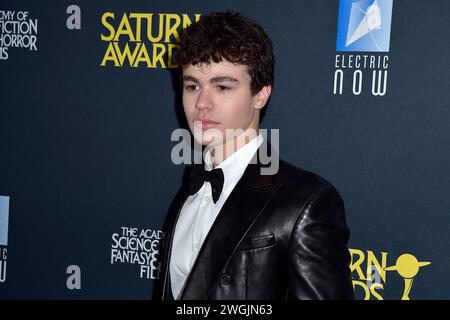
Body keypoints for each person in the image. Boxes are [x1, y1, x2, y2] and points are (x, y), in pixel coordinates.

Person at [153, 11, 354, 300]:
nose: (202, 103)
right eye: (192, 86)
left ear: (260, 94)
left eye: (222, 87)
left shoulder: (305, 203)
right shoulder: (190, 191)